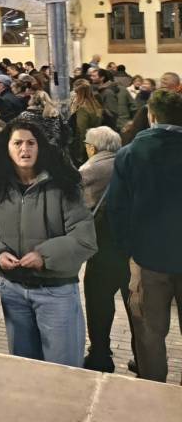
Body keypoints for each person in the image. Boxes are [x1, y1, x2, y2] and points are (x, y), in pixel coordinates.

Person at [0, 122, 96, 367]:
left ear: (41, 148)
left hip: (56, 292)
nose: (24, 149)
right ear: (7, 148)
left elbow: (85, 239)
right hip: (13, 291)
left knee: (63, 371)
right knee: (25, 370)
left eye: (30, 143)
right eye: (17, 143)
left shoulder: (63, 186)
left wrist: (44, 255)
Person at [106, 88, 182, 383]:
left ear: (151, 116)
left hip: (149, 258)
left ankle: (153, 390)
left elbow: (117, 208)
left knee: (150, 332)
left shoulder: (130, 153)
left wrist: (128, 251)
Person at [77, 126, 134, 372]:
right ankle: (142, 354)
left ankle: (100, 353)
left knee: (99, 300)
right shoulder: (132, 165)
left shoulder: (89, 170)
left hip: (103, 245)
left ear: (92, 147)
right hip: (132, 244)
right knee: (135, 303)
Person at [68, 80, 107, 167]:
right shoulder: (95, 104)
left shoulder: (82, 108)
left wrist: (79, 154)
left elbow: (81, 131)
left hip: (84, 148)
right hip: (95, 143)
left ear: (79, 93)